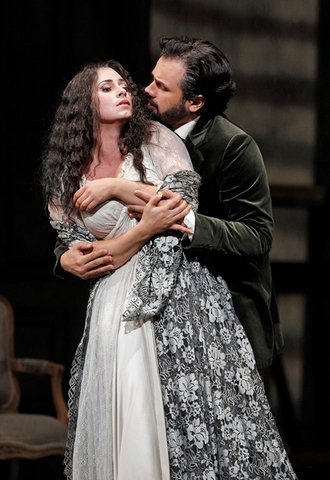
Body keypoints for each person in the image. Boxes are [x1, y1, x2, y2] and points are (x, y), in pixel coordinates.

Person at [41, 60, 297, 479]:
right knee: (124, 411)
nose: (135, 91)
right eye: (110, 87)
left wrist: (116, 189)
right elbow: (82, 246)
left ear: (195, 101)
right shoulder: (66, 174)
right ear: (82, 105)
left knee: (182, 416)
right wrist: (79, 251)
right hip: (110, 302)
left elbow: (179, 210)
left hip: (181, 292)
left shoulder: (160, 140)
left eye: (150, 85)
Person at [55, 36, 283, 374]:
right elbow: (89, 210)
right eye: (151, 79)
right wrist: (62, 253)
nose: (144, 90)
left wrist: (182, 217)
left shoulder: (232, 146)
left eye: (161, 87)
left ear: (194, 102)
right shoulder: (137, 132)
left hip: (224, 314)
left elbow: (257, 237)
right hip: (147, 315)